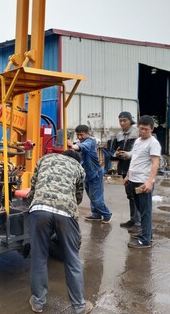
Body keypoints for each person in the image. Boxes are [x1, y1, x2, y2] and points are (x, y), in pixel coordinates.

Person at [27, 150, 93, 314]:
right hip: (65, 212)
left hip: (39, 209)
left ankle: (38, 302)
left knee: (39, 257)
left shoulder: (44, 159)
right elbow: (78, 198)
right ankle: (79, 306)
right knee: (72, 258)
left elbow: (33, 187)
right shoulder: (78, 167)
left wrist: (34, 205)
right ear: (76, 160)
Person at [125, 115, 161, 249]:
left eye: (146, 129)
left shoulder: (153, 143)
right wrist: (128, 175)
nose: (143, 131)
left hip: (143, 182)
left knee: (145, 212)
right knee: (140, 210)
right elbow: (134, 159)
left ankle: (145, 240)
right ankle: (147, 234)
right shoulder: (138, 141)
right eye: (141, 129)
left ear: (151, 129)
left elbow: (155, 163)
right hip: (134, 180)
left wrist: (149, 181)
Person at [67, 125, 112, 223]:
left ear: (88, 133)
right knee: (92, 197)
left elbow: (81, 147)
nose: (79, 137)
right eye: (78, 135)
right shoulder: (81, 142)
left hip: (95, 174)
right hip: (87, 175)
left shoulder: (90, 142)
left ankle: (107, 214)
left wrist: (72, 146)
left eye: (82, 135)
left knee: (96, 198)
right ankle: (96, 215)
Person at [112, 112, 141, 233]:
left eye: (125, 120)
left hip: (135, 168)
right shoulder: (119, 135)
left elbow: (140, 151)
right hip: (124, 167)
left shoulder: (137, 133)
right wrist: (117, 154)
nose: (122, 123)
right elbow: (115, 150)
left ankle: (139, 223)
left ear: (130, 120)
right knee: (130, 195)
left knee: (137, 196)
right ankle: (133, 219)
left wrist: (129, 154)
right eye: (120, 121)